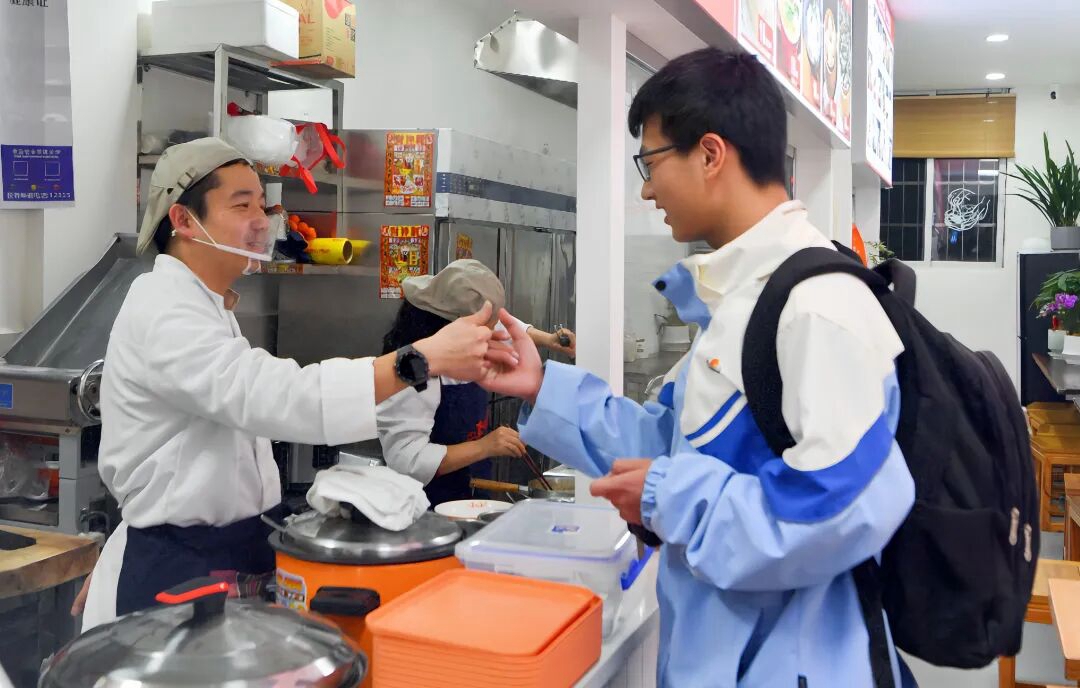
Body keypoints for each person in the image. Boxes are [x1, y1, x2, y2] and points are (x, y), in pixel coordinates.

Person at [480, 49, 916, 687]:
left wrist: (670, 496)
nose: (646, 188)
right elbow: (670, 445)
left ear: (711, 154)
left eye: (651, 162)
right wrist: (542, 386)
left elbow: (846, 506)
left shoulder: (819, 306)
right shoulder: (747, 301)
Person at [78, 138, 517, 629]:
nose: (263, 221)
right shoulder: (164, 308)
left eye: (262, 205)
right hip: (180, 568)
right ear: (182, 219)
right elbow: (271, 395)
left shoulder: (208, 305)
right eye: (242, 205)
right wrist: (417, 362)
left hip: (222, 550)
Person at [378, 259, 574, 505]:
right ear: (454, 328)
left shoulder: (453, 321)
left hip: (470, 492)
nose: (491, 337)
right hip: (423, 507)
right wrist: (485, 446)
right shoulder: (411, 372)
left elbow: (501, 324)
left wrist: (548, 340)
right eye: (483, 330)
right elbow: (407, 460)